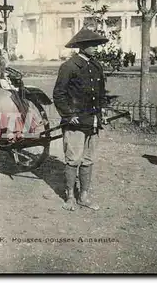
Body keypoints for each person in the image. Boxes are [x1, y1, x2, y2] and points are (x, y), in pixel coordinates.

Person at [53, 27, 110, 212]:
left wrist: (102, 112)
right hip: (75, 122)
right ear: (81, 46)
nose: (95, 48)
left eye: (96, 44)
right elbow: (59, 94)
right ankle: (70, 196)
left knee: (88, 159)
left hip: (92, 120)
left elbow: (101, 93)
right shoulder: (69, 66)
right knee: (73, 159)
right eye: (91, 44)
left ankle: (84, 195)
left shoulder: (96, 66)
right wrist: (69, 115)